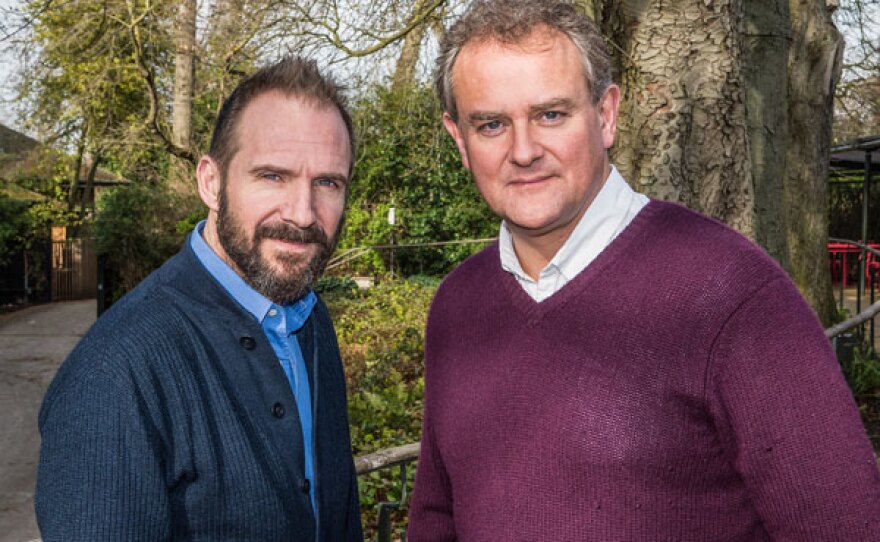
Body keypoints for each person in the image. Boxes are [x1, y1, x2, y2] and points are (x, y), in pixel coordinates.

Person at [407, 1, 880, 540]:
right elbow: (435, 519)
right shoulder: (457, 305)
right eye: (491, 124)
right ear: (459, 140)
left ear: (606, 115)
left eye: (551, 115)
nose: (523, 150)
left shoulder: (734, 297)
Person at [35, 56, 362, 541]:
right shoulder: (115, 375)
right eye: (273, 175)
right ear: (211, 182)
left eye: (327, 183)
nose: (302, 212)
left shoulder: (311, 320)